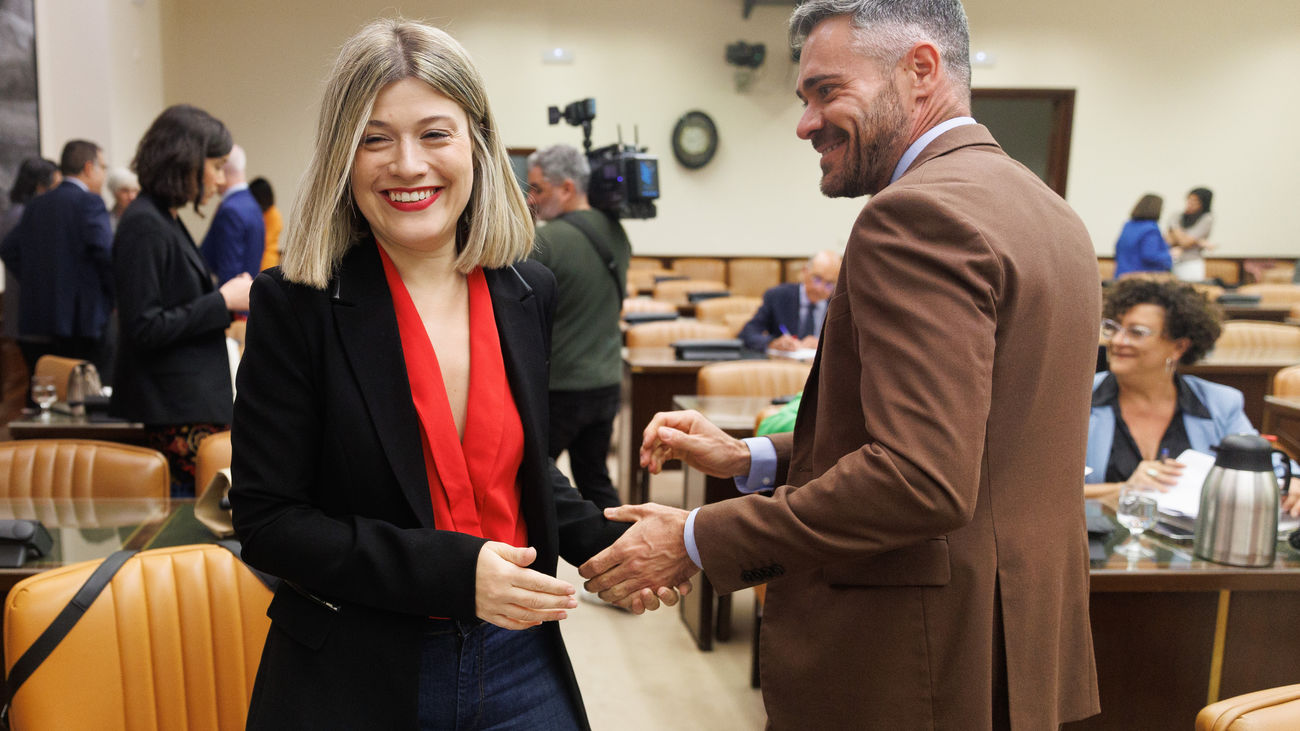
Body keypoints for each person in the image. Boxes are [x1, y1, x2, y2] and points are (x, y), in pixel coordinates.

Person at [579, 1, 1102, 727]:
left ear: (921, 69)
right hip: (1016, 641)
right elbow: (974, 440)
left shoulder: (915, 215)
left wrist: (696, 536)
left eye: (827, 90)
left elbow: (920, 478)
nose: (805, 122)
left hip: (916, 659)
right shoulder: (1048, 210)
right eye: (805, 98)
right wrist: (753, 457)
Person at [228, 19, 679, 730]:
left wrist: (614, 541)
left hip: (517, 659)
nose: (407, 164)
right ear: (343, 158)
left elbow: (515, 471)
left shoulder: (526, 290)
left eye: (435, 134)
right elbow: (269, 521)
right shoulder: (296, 305)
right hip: (359, 668)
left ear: (478, 142)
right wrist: (454, 571)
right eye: (375, 139)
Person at [110, 105, 253, 496]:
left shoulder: (162, 216)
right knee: (188, 524)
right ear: (188, 162)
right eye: (217, 166)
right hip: (173, 410)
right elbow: (145, 326)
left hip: (185, 405)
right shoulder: (144, 222)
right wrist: (222, 301)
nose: (222, 179)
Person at [1085, 278, 1298, 501]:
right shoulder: (1080, 401)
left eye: (1136, 332)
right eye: (1113, 328)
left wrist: (1292, 480)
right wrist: (1123, 490)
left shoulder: (1219, 403)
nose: (1118, 340)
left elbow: (1265, 462)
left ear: (1179, 347)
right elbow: (1049, 493)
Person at [526, 144, 630, 510]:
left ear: (567, 188)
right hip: (605, 383)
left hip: (560, 387)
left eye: (538, 188)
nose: (531, 198)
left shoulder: (547, 239)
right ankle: (627, 557)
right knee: (595, 478)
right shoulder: (616, 231)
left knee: (532, 480)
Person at [0, 140, 114, 376]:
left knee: (51, 390)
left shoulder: (36, 204)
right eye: (103, 167)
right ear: (88, 167)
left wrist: (36, 280)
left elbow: (9, 248)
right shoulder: (90, 202)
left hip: (44, 321)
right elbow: (105, 254)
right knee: (89, 391)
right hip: (85, 321)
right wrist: (115, 297)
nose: (103, 175)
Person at [738, 249, 841, 351]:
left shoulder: (840, 306)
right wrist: (773, 343)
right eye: (817, 279)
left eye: (829, 284)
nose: (820, 289)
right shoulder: (778, 296)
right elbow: (748, 333)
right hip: (785, 364)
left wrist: (824, 344)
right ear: (804, 272)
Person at [200, 144, 265, 285]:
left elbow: (228, 272)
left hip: (231, 300)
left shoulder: (230, 210)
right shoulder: (253, 205)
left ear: (222, 169)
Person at [1113, 193, 1171, 278]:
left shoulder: (1128, 225)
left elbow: (1117, 248)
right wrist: (1170, 255)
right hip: (1140, 279)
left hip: (1121, 276)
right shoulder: (1151, 229)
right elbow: (1150, 255)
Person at [1167, 187, 1213, 281]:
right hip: (1173, 262)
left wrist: (1175, 231)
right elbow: (1168, 240)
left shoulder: (1206, 219)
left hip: (1191, 263)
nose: (1190, 203)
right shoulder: (1177, 216)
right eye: (1189, 199)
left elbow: (1186, 242)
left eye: (1195, 201)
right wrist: (1198, 242)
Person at [249, 176, 282, 271]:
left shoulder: (273, 214)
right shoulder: (264, 213)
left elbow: (264, 240)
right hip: (265, 260)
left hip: (266, 262)